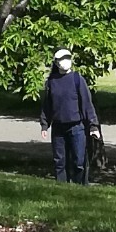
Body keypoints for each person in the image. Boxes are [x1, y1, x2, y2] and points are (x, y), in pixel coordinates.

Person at [38, 47, 101, 185]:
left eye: (67, 58)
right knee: (59, 162)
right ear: (55, 63)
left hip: (77, 127)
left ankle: (80, 188)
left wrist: (93, 126)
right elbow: (47, 105)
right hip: (58, 128)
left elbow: (87, 104)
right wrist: (44, 125)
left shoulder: (77, 79)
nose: (65, 61)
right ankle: (62, 187)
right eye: (61, 59)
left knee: (79, 161)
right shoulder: (51, 82)